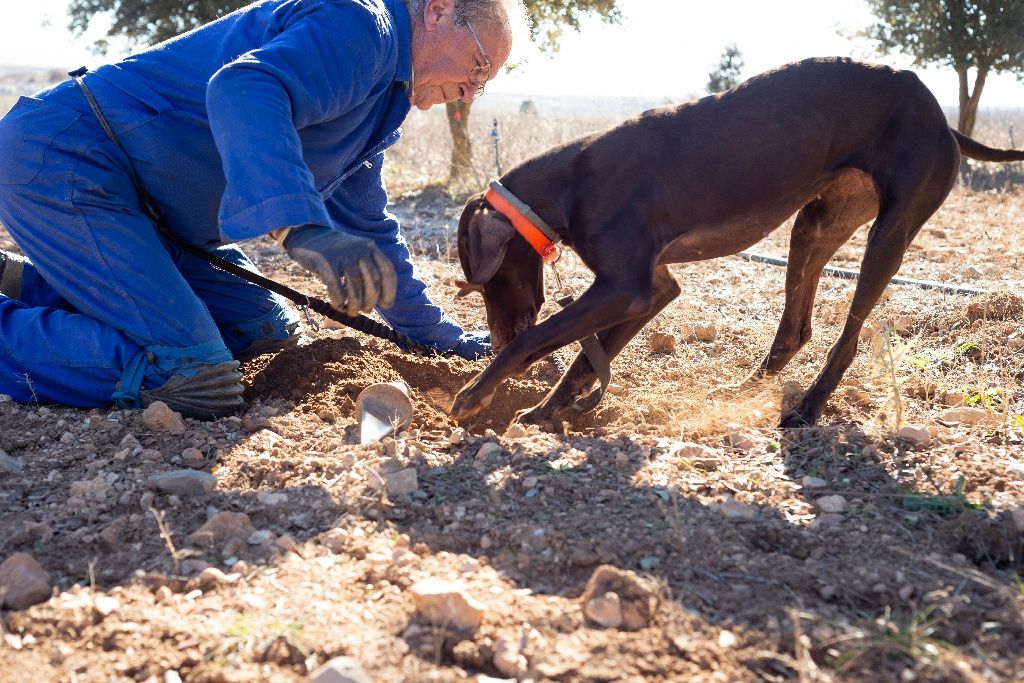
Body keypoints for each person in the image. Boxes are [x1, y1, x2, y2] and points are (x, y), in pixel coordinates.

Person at [0, 0, 521, 418]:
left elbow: (367, 227)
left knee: (266, 329)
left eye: (486, 81)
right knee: (196, 379)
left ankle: (36, 282)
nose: (472, 90)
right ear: (438, 10)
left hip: (143, 215)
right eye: (478, 65)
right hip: (69, 162)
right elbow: (244, 86)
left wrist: (439, 339)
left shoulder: (383, 102)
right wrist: (299, 226)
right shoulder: (363, 26)